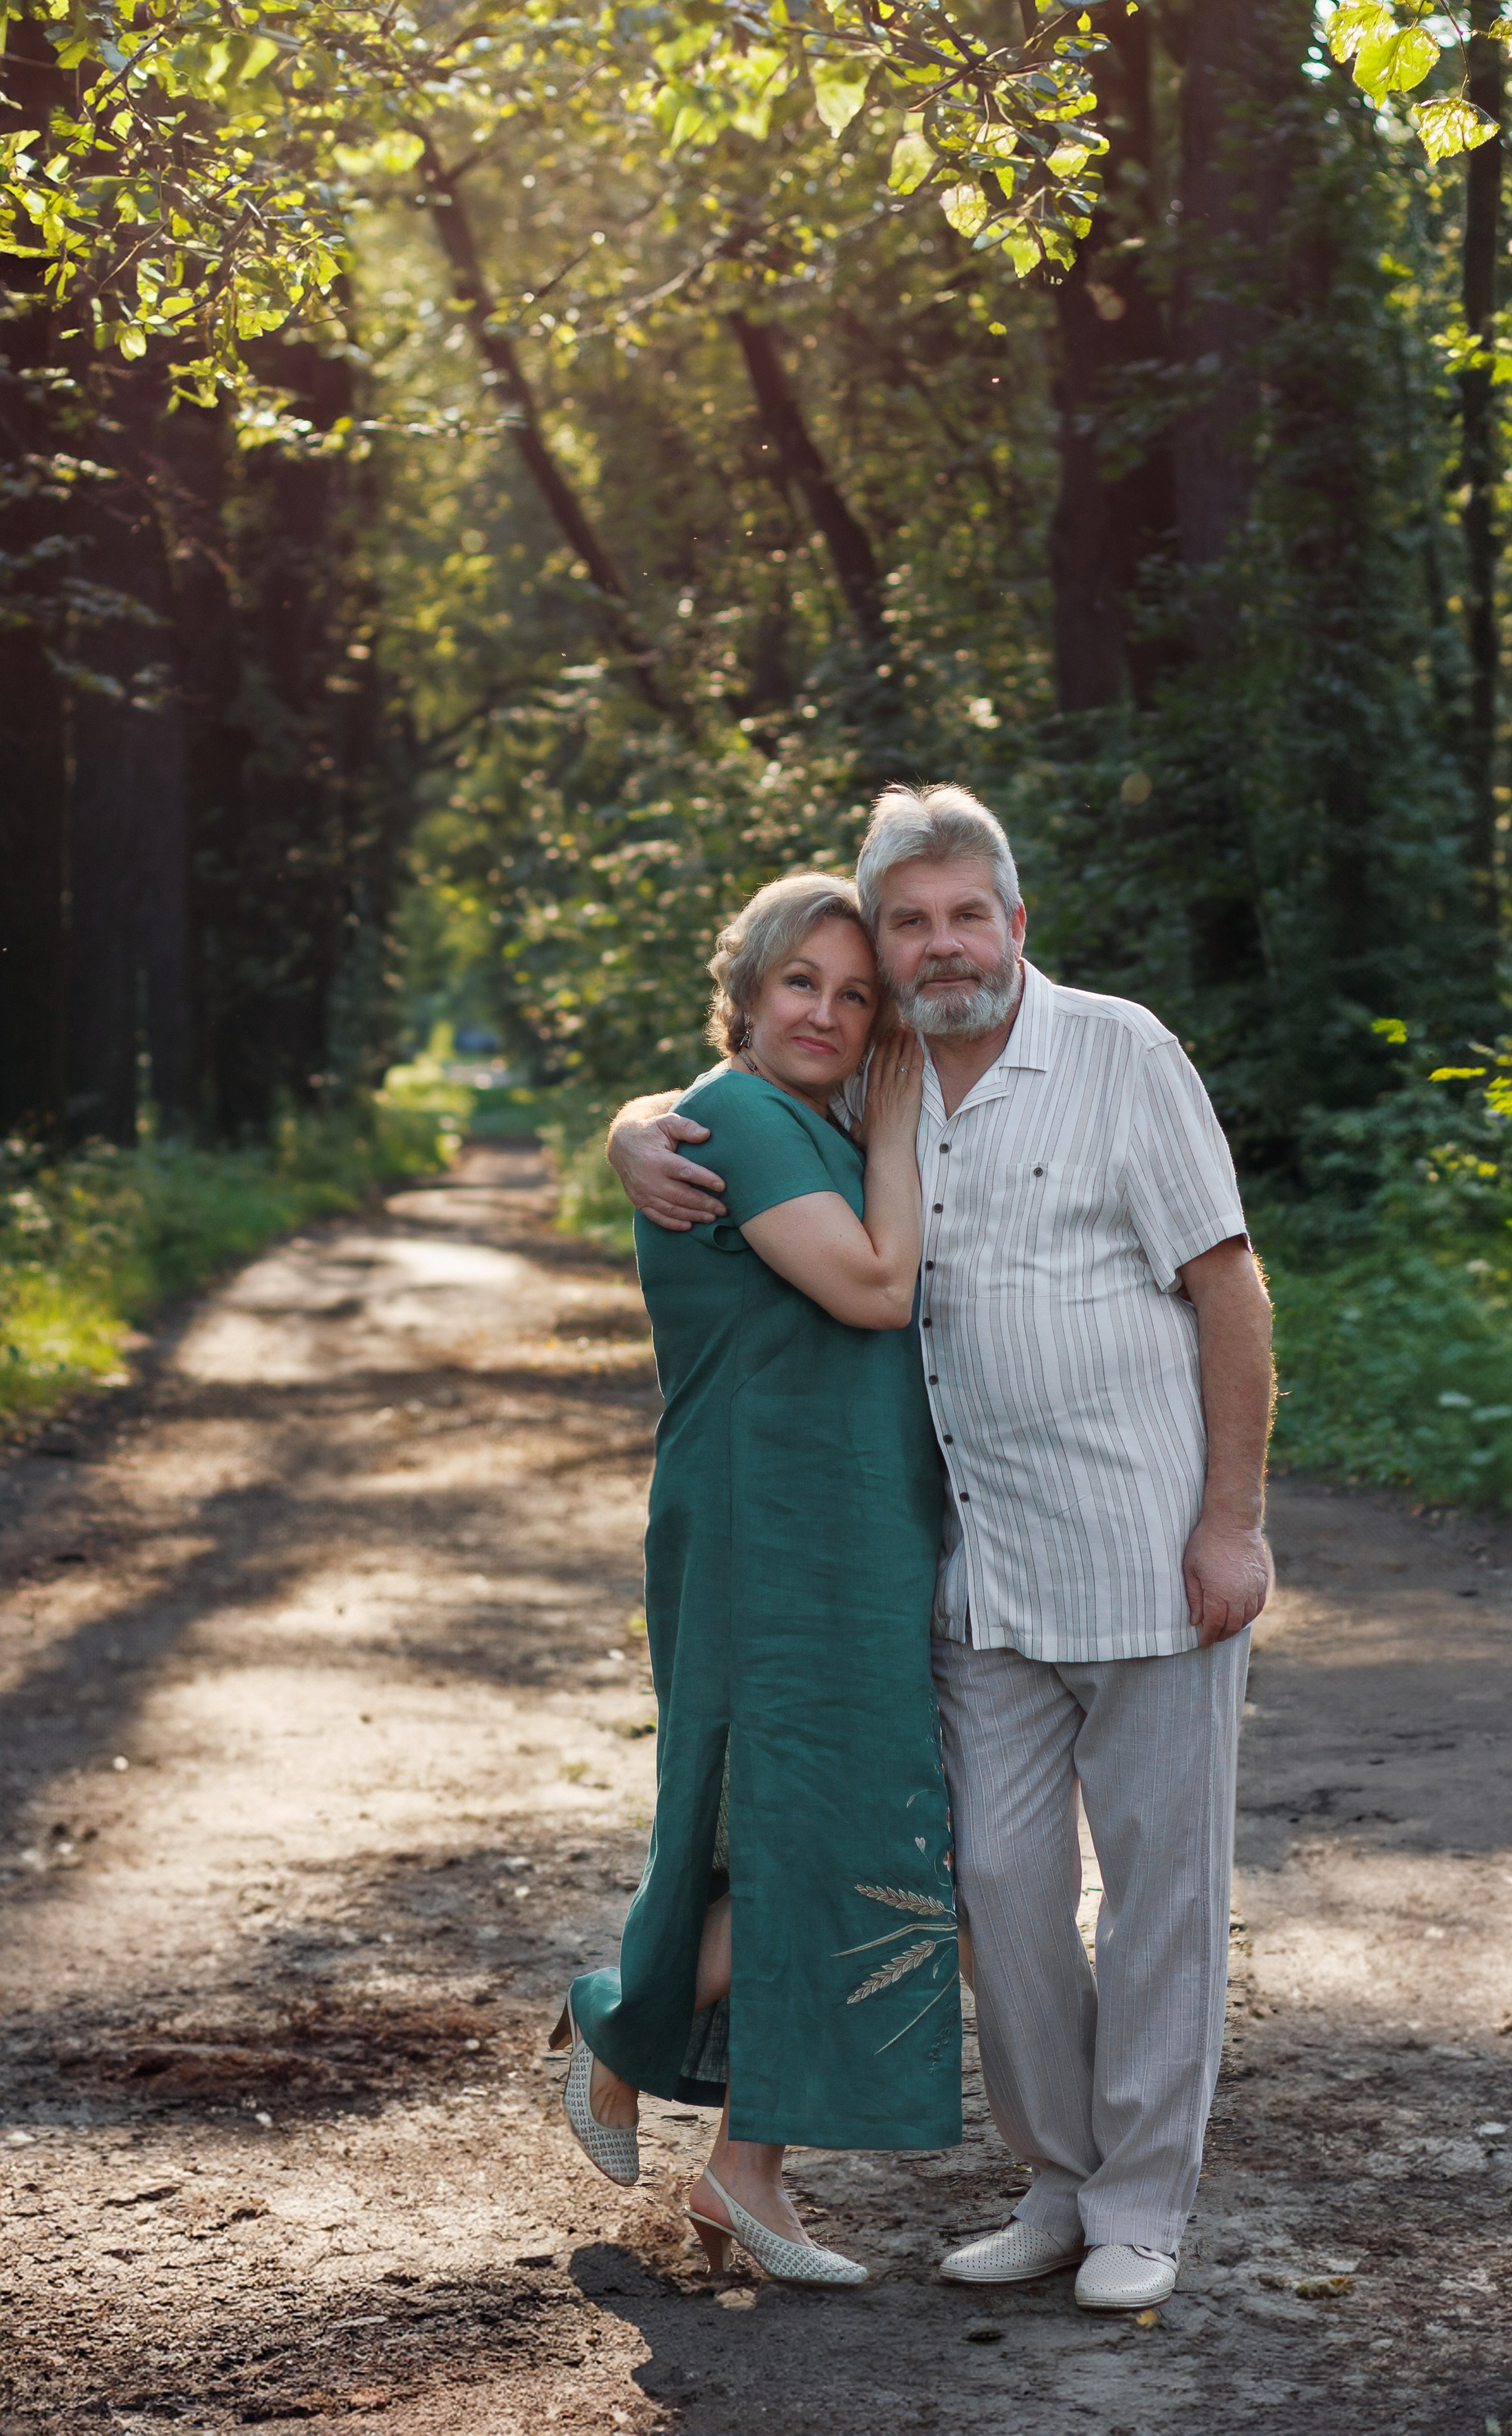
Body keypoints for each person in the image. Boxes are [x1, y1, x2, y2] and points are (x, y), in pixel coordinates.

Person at [608, 784, 1274, 2315]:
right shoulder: (871, 1084)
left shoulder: (1119, 1050)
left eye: (965, 912)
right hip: (974, 1578)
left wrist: (1230, 1519)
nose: (938, 943)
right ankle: (1058, 2180)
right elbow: (737, 1086)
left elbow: (1226, 1285)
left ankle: (1139, 2206)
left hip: (1148, 1555)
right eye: (906, 922)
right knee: (997, 1890)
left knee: (1163, 1894)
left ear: (1015, 922)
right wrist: (633, 1127)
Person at [553, 870, 961, 2290]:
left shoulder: (804, 1121)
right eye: (802, 982)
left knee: (847, 1839)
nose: (829, 1014)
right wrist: (894, 1118)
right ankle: (638, 2038)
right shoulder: (737, 1115)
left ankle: (729, 2152)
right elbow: (874, 1287)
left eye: (856, 997)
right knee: (823, 1840)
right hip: (762, 1532)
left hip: (850, 1529)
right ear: (745, 991)